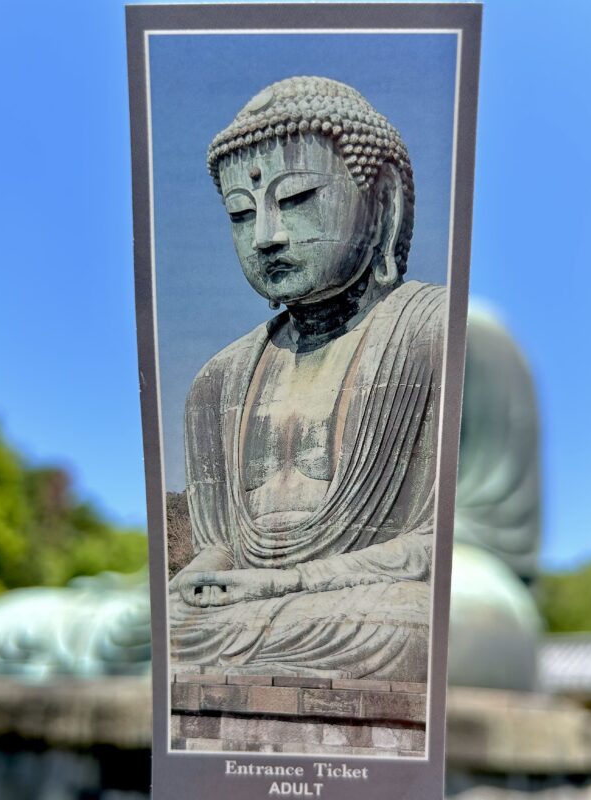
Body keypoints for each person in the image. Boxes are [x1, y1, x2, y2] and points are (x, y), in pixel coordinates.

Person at [168, 77, 445, 680]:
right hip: (242, 613)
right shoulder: (216, 382)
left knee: (411, 627)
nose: (266, 235)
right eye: (242, 214)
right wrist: (198, 580)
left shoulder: (441, 333)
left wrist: (293, 582)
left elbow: (455, 548)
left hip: (366, 609)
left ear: (384, 203)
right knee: (152, 629)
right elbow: (218, 544)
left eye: (295, 199)